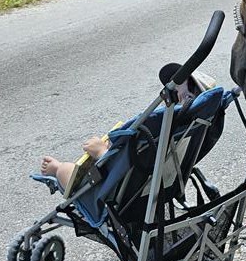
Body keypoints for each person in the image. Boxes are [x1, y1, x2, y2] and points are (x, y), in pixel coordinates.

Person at [39, 68, 216, 198]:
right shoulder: (189, 134)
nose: (170, 99)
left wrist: (102, 152)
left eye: (181, 96)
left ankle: (56, 168)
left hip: (116, 192)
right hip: (154, 188)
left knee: (66, 170)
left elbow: (131, 169)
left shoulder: (158, 129)